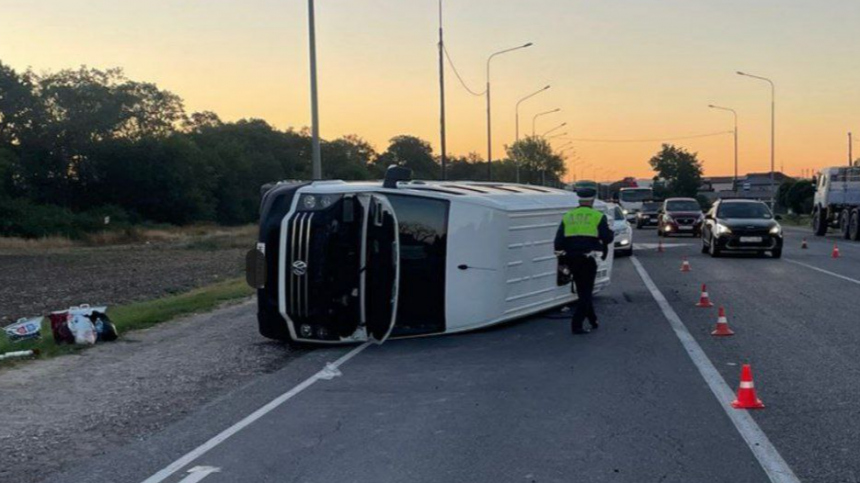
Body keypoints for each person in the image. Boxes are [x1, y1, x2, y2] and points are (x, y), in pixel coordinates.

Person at [554, 188, 614, 335]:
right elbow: (607, 238)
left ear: (579, 199)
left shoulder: (568, 216)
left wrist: (562, 257)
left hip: (571, 258)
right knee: (586, 292)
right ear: (593, 200)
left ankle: (593, 320)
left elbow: (558, 241)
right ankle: (577, 324)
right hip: (588, 258)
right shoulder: (598, 216)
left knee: (583, 291)